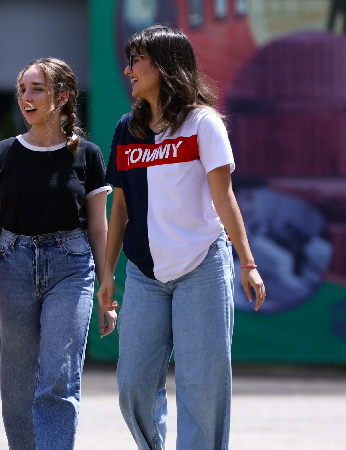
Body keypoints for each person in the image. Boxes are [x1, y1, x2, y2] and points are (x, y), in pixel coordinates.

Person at [98, 25, 266, 450]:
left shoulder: (203, 123)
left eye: (137, 60)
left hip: (202, 268)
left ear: (165, 65)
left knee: (203, 386)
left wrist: (247, 263)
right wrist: (107, 273)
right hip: (144, 274)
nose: (128, 68)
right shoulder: (125, 129)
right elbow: (119, 207)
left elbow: (225, 198)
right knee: (133, 384)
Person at [0, 57, 116, 450]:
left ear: (63, 97)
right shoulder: (3, 154)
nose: (26, 98)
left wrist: (107, 286)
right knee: (17, 382)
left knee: (58, 379)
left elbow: (99, 228)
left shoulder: (89, 156)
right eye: (22, 90)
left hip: (72, 266)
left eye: (37, 89)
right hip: (11, 264)